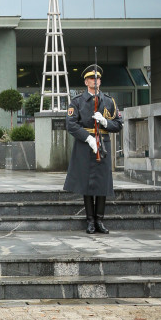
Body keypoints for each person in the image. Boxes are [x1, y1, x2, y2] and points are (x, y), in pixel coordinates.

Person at [63, 64, 124, 234]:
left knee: (102, 183)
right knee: (87, 183)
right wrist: (88, 138)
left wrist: (105, 122)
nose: (95, 81)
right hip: (85, 145)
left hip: (103, 143)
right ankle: (90, 220)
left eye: (97, 78)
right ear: (86, 81)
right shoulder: (77, 102)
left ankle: (100, 220)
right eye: (91, 78)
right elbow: (71, 124)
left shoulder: (109, 101)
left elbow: (118, 124)